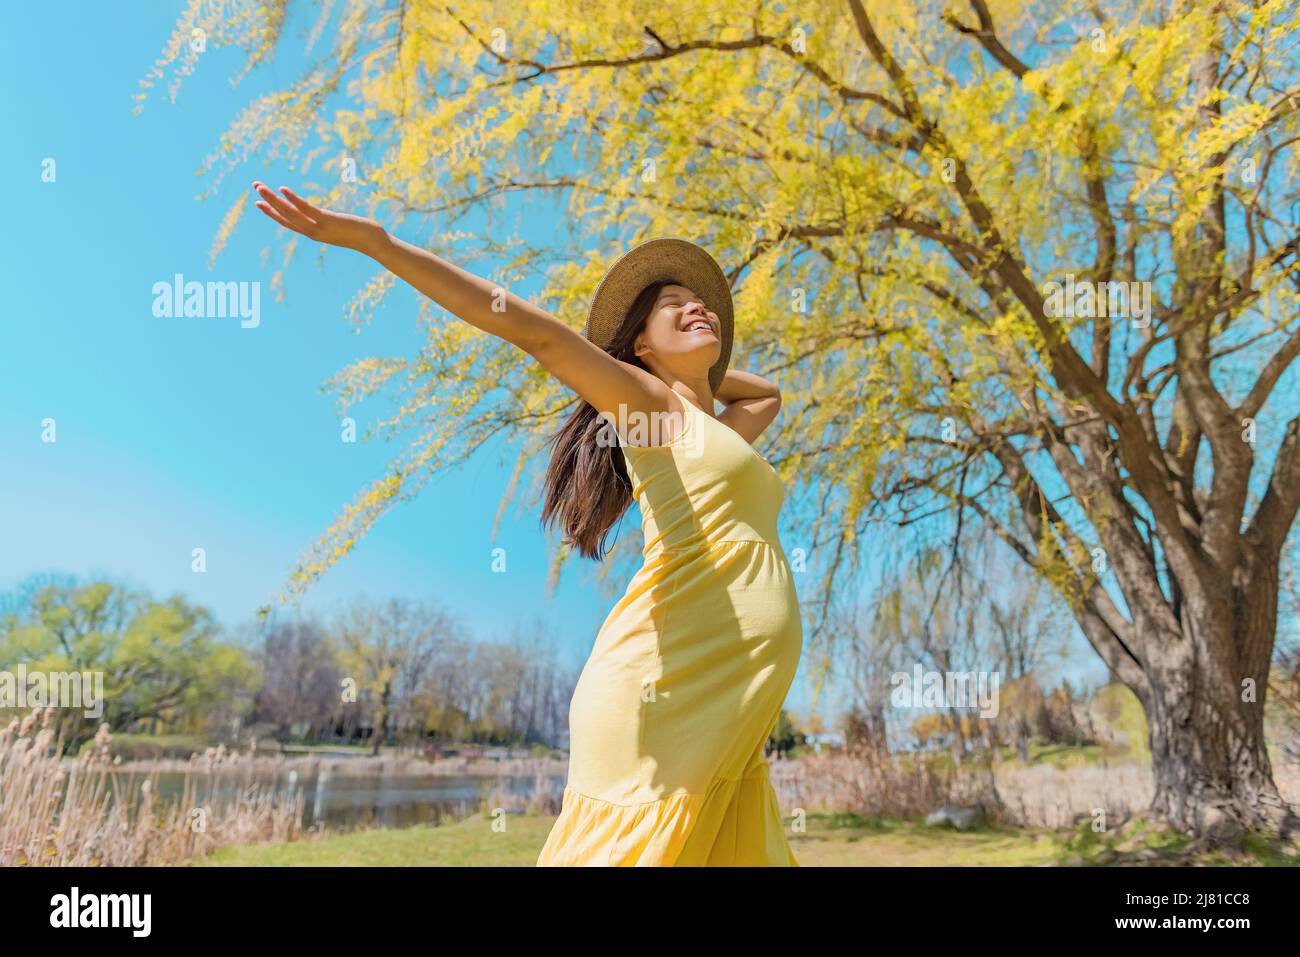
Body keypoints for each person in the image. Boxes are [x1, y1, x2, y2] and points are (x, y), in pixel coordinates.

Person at [251, 183, 803, 865]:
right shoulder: (650, 409)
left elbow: (771, 393)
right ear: (636, 346)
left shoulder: (715, 427)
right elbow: (536, 334)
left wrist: (699, 373)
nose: (696, 306)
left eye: (702, 305)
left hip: (721, 703)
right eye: (672, 307)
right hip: (669, 691)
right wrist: (380, 245)